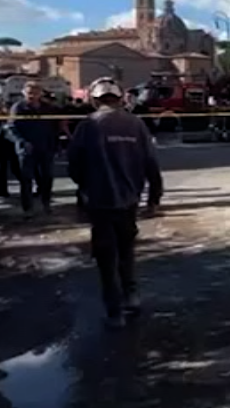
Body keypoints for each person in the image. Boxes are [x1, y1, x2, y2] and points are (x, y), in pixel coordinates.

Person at [67, 78, 163, 329]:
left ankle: (114, 310)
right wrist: (154, 197)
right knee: (127, 249)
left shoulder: (87, 125)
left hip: (99, 201)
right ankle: (131, 296)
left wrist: (86, 187)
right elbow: (151, 163)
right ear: (120, 99)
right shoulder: (136, 124)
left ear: (95, 99)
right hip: (129, 200)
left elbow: (74, 165)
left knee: (106, 257)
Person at [4, 81, 60, 215]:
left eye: (35, 92)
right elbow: (11, 128)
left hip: (45, 148)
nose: (32, 96)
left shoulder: (48, 108)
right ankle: (28, 208)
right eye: (30, 93)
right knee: (26, 179)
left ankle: (46, 204)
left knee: (47, 177)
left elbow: (55, 127)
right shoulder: (18, 107)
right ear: (24, 93)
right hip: (26, 149)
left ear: (41, 93)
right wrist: (22, 142)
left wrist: (55, 145)